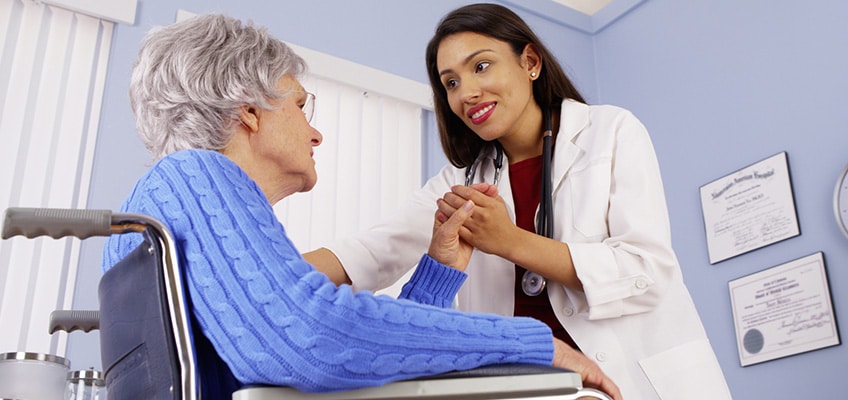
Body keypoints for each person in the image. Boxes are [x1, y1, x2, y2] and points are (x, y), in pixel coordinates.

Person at [101, 13, 621, 400]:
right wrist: (535, 344)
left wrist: (437, 275)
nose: (315, 132)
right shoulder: (197, 177)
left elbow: (363, 354)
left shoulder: (165, 201)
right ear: (250, 113)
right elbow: (313, 336)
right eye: (301, 106)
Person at [304, 3, 732, 399]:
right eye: (451, 82)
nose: (466, 93)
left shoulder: (611, 131)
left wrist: (509, 241)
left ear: (530, 62)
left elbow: (647, 271)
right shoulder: (459, 182)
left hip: (639, 382)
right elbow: (369, 253)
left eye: (481, 66)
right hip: (535, 388)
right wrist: (267, 271)